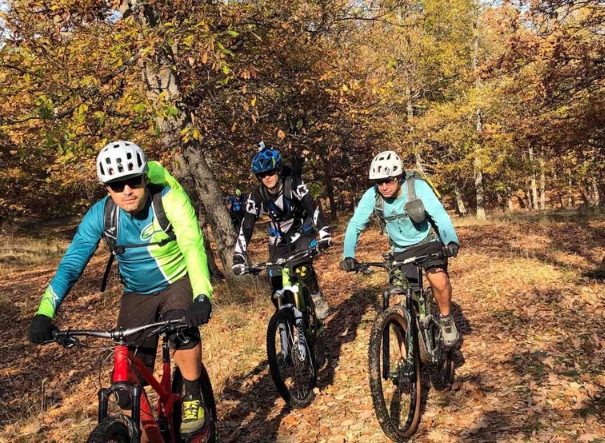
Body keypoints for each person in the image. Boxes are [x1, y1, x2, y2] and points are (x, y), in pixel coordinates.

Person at [27, 140, 213, 437]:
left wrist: (202, 296)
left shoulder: (169, 200)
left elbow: (193, 246)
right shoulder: (101, 215)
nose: (127, 190)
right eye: (117, 184)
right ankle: (147, 433)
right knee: (126, 381)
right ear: (107, 188)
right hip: (137, 292)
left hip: (177, 279)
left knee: (182, 327)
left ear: (144, 178)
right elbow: (72, 264)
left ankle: (191, 393)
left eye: (133, 181)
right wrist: (44, 312)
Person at [340, 151, 461, 347]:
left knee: (438, 278)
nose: (384, 187)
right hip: (400, 250)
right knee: (396, 301)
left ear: (399, 177)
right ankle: (408, 358)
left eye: (388, 181)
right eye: (379, 182)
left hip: (427, 242)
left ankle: (446, 319)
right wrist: (348, 255)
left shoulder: (417, 188)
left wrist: (451, 241)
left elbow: (440, 214)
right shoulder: (373, 196)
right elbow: (355, 224)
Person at [231, 145, 332, 319]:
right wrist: (239, 255)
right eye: (262, 174)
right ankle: (286, 324)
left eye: (270, 172)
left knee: (301, 268)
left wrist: (324, 232)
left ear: (278, 169)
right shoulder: (257, 194)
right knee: (276, 284)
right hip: (278, 239)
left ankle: (316, 297)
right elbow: (247, 225)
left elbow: (311, 206)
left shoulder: (293, 184)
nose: (267, 177)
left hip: (302, 232)